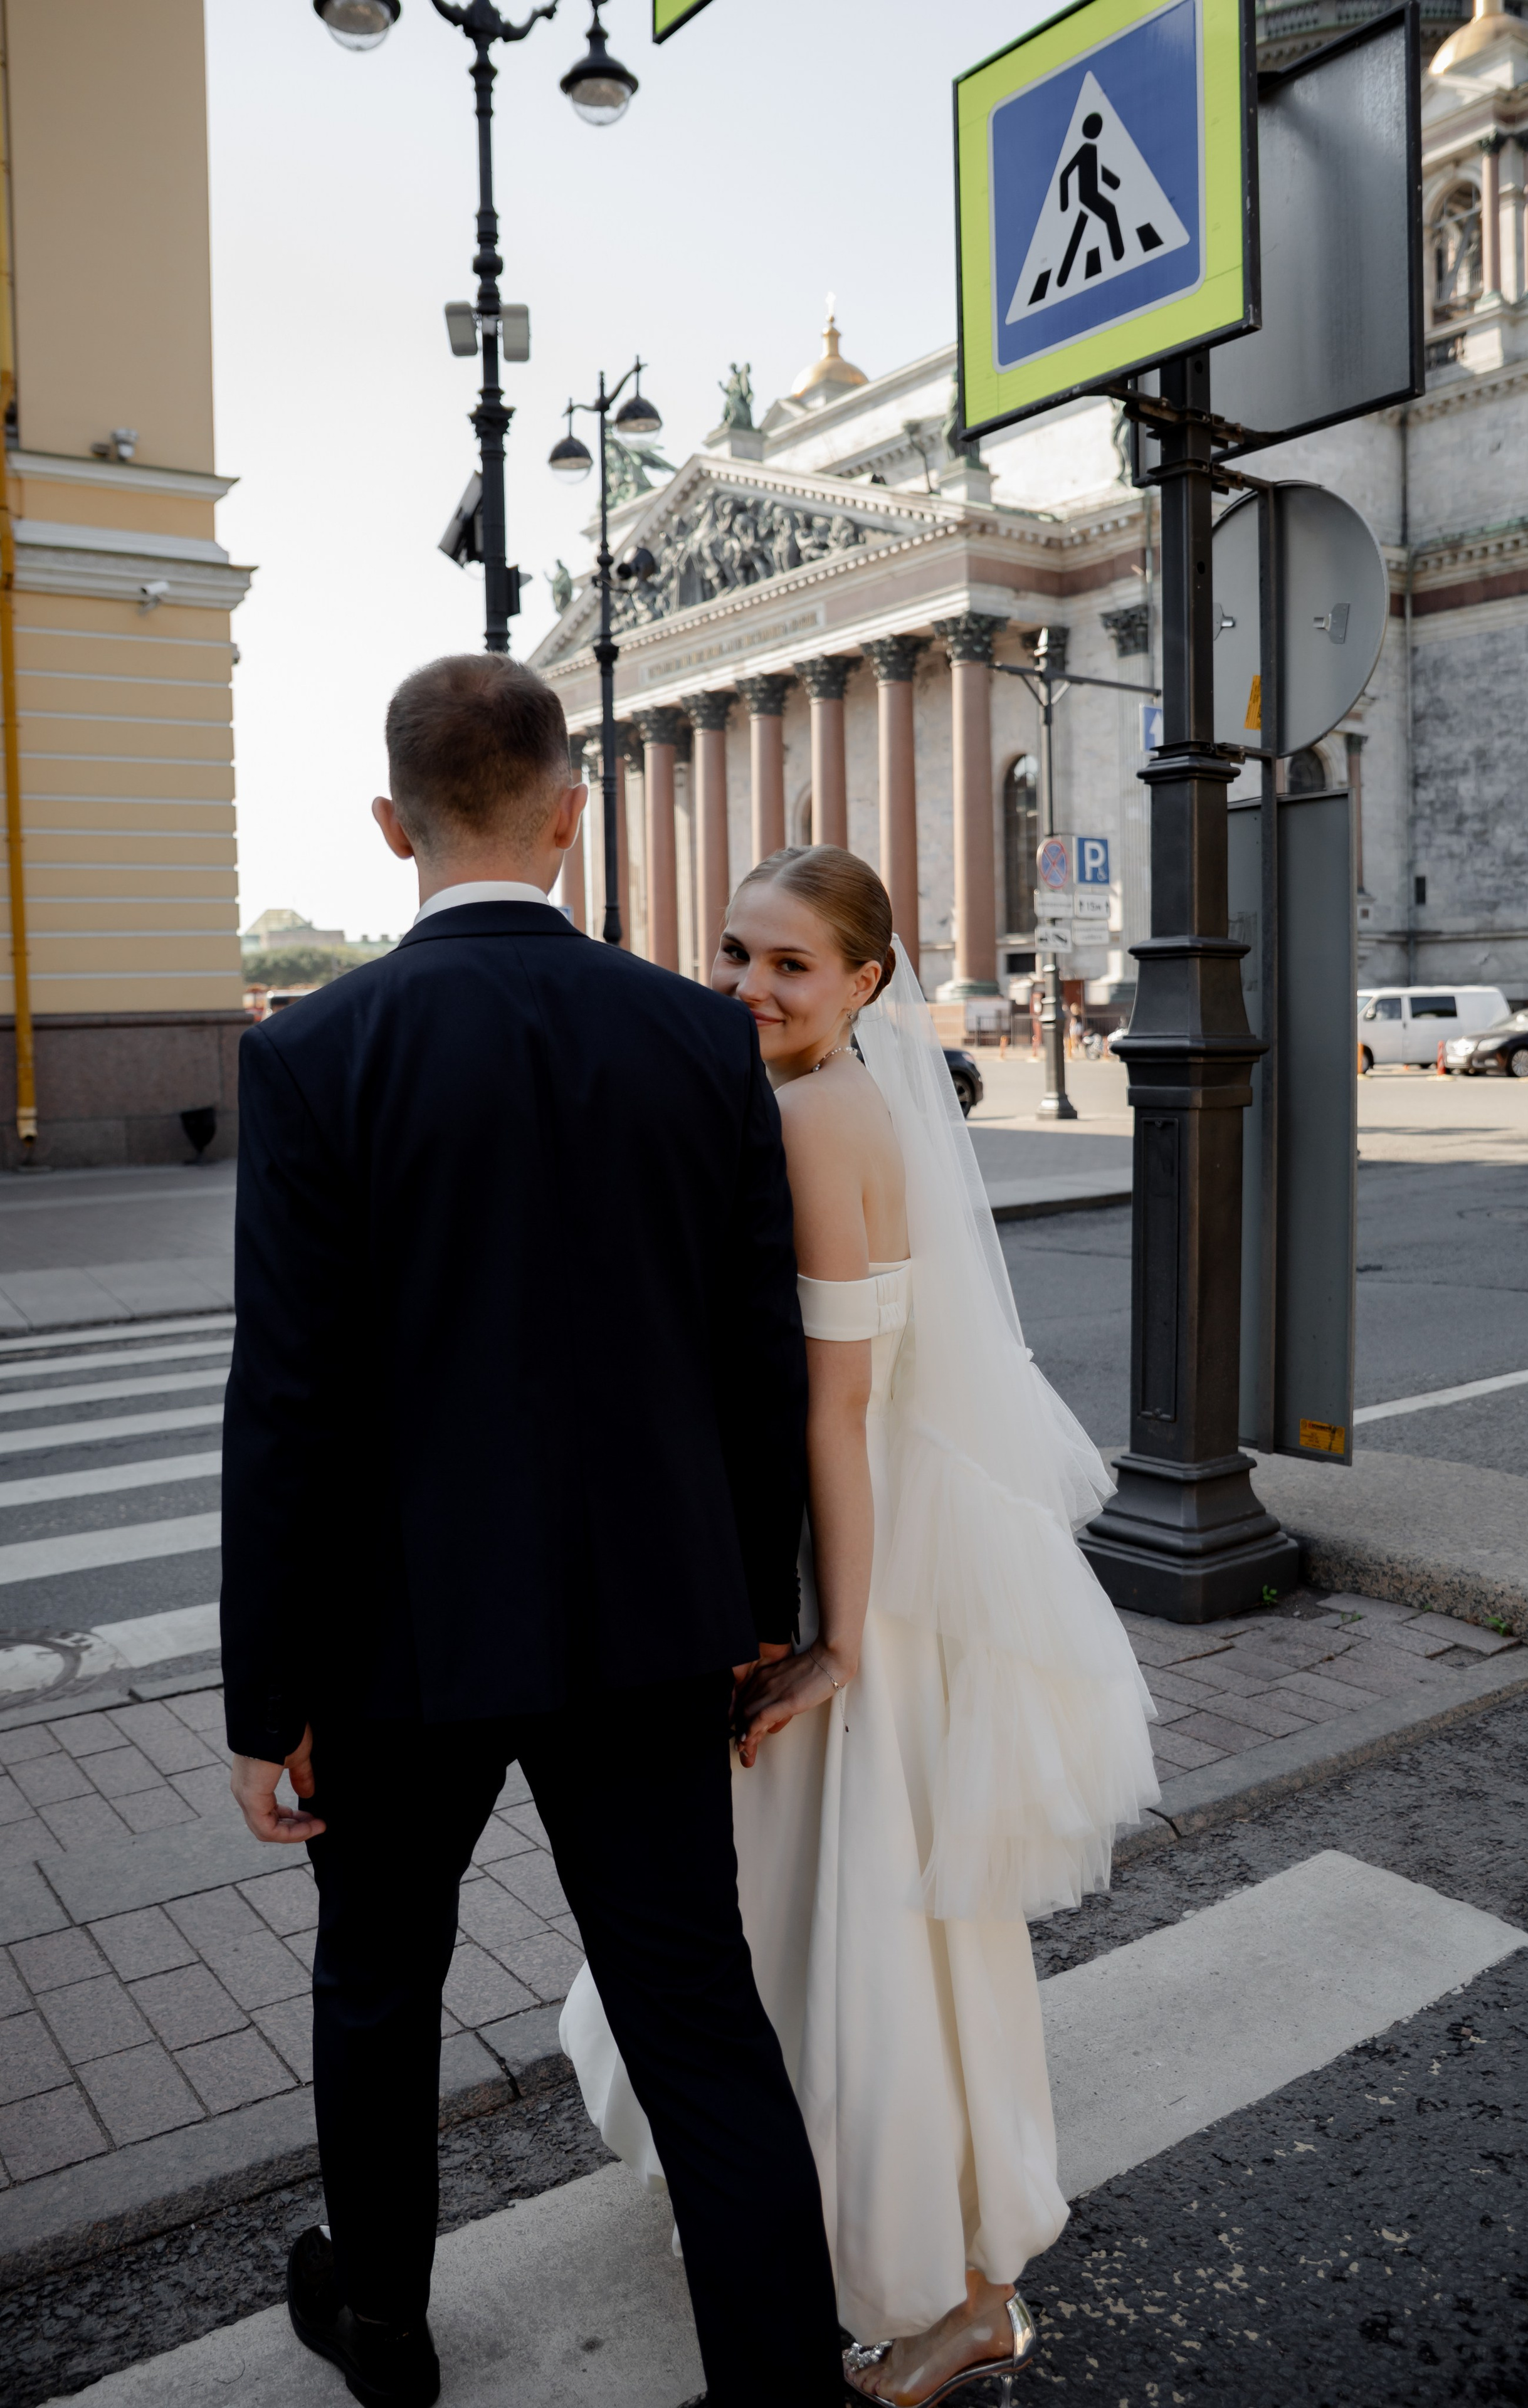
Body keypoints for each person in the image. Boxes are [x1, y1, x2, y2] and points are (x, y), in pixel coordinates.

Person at [221, 656, 842, 2408]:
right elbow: (756, 1354)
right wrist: (750, 1604)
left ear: (387, 824)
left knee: (377, 1986)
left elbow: (289, 1401)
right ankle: (783, 2381)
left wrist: (269, 1694)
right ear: (574, 813)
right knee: (697, 2014)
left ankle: (386, 2330)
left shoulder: (319, 1052)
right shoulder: (695, 1035)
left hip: (397, 1637)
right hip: (653, 1619)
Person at [561, 845, 1161, 2407]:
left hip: (852, 1551)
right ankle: (828, 2212)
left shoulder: (826, 1115)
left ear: (865, 985)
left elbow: (835, 1410)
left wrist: (839, 1633)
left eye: (788, 965)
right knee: (813, 1903)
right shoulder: (803, 1094)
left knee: (866, 1915)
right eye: (732, 952)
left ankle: (954, 2292)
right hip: (846, 1532)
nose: (748, 986)